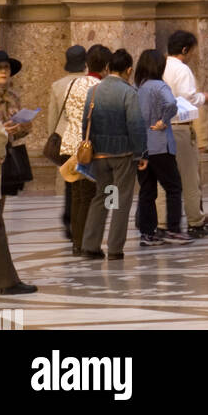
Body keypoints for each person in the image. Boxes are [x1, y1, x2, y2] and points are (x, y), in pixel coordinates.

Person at [80, 48, 147, 261]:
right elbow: (136, 125)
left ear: (108, 68)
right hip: (123, 155)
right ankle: (115, 248)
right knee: (121, 200)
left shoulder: (94, 91)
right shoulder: (129, 92)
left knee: (104, 196)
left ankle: (91, 244)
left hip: (99, 155)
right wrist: (141, 153)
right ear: (129, 70)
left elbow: (85, 122)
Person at [0, 48, 34, 297]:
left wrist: (20, 127)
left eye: (6, 68)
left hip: (1, 165)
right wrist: (1, 144)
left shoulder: (12, 97)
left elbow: (22, 129)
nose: (3, 72)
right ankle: (4, 279)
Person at [134, 49, 189, 248]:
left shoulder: (137, 87)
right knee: (174, 188)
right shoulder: (159, 86)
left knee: (147, 190)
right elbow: (172, 104)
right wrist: (164, 120)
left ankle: (147, 233)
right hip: (160, 145)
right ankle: (173, 229)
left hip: (141, 147)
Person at [58, 44, 109, 256]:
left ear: (87, 64)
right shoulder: (100, 87)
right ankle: (85, 243)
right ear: (106, 66)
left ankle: (77, 243)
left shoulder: (74, 83)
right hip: (86, 148)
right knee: (89, 197)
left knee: (77, 197)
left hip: (69, 144)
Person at [163, 30, 208, 237]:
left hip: (161, 130)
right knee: (190, 178)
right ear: (185, 49)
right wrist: (204, 98)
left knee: (164, 180)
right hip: (180, 128)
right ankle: (195, 221)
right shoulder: (182, 70)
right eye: (192, 50)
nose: (192, 54)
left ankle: (162, 221)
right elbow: (188, 99)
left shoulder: (160, 66)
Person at [48, 44, 87, 242]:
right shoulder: (90, 83)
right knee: (85, 183)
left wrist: (52, 138)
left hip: (64, 139)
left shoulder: (57, 85)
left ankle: (68, 218)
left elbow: (53, 117)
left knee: (69, 182)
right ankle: (81, 222)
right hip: (83, 140)